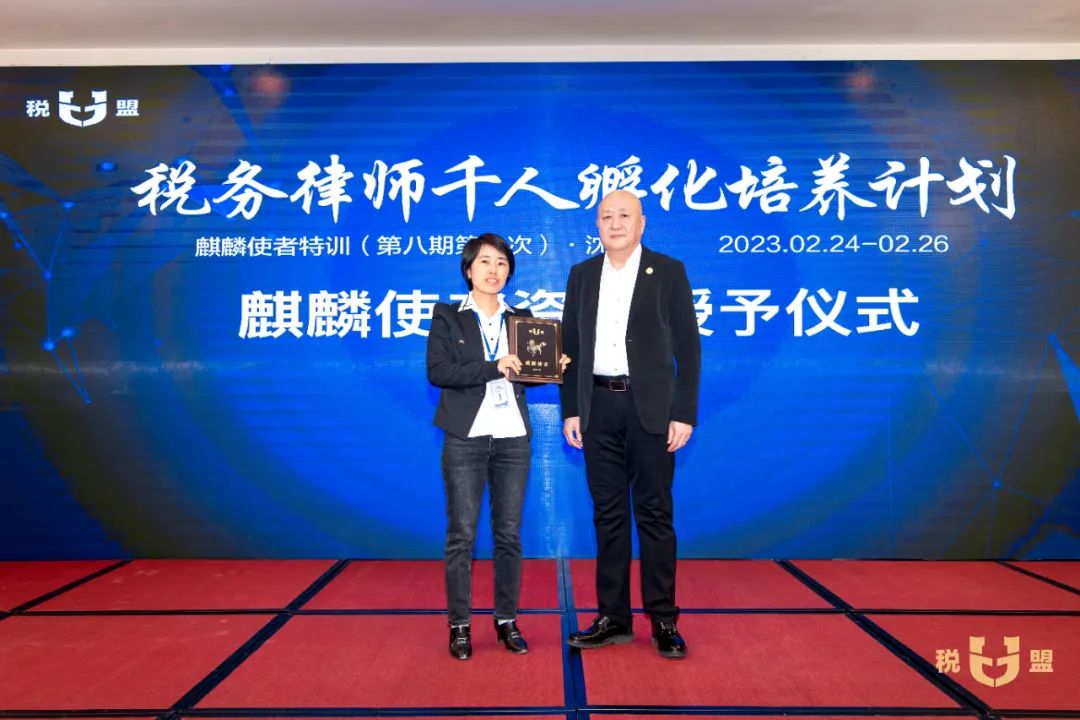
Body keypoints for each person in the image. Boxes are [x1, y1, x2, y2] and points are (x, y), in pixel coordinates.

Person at [559, 190, 701, 659]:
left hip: (653, 411)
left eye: (624, 215)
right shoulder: (581, 275)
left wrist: (683, 412)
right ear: (597, 226)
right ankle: (613, 618)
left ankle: (663, 620)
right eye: (606, 216)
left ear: (642, 224)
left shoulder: (669, 272)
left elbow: (689, 348)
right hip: (598, 408)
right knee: (609, 515)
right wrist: (571, 409)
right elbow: (570, 348)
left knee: (655, 514)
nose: (615, 223)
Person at [427, 233, 569, 660]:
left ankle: (506, 619)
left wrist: (553, 368)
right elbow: (438, 371)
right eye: (485, 261)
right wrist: (494, 366)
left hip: (512, 438)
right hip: (465, 438)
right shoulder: (448, 316)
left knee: (508, 535)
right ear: (468, 269)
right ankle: (459, 625)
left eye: (502, 262)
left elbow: (525, 374)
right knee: (462, 535)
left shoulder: (521, 318)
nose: (494, 270)